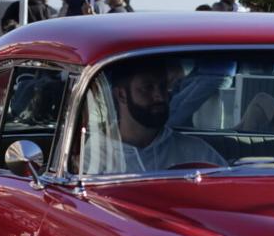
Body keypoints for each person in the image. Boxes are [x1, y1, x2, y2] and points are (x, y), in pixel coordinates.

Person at [88, 60, 226, 172]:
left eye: (163, 87)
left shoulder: (196, 152)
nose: (159, 96)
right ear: (121, 95)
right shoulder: (95, 156)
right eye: (147, 88)